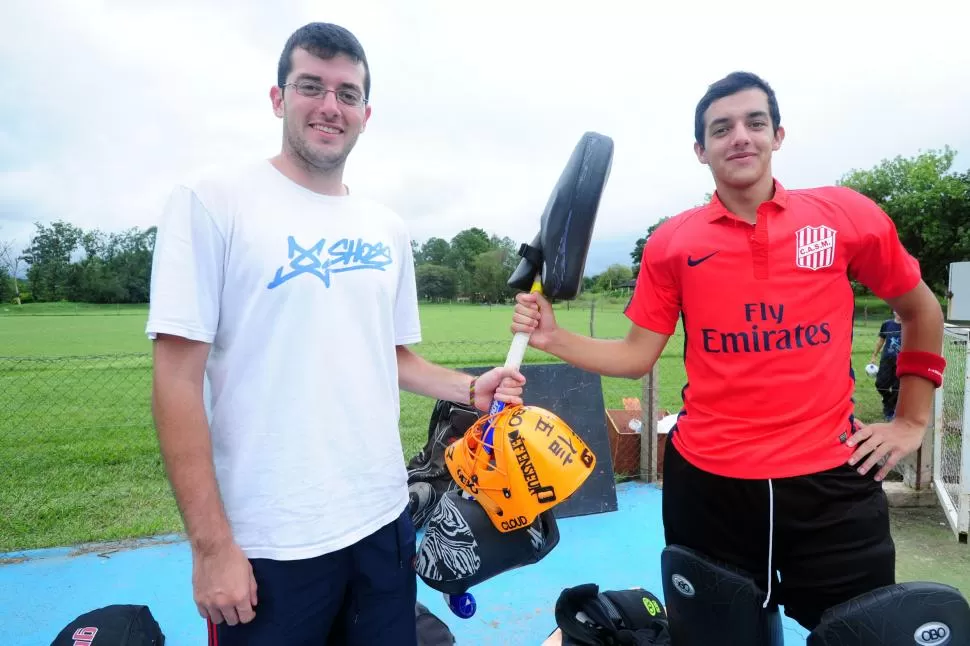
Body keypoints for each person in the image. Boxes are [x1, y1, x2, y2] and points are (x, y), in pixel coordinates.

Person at [510, 71, 946, 633]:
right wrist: (552, 337)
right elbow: (636, 355)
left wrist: (911, 420)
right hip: (709, 486)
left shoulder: (844, 217)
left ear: (777, 135)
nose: (739, 136)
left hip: (831, 483)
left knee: (860, 635)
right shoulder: (673, 242)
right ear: (701, 150)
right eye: (722, 128)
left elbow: (921, 311)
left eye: (754, 122)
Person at [146, 22, 526, 646]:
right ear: (278, 98)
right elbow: (176, 381)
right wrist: (212, 548)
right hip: (271, 540)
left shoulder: (386, 227)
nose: (330, 106)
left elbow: (391, 355)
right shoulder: (213, 200)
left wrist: (470, 389)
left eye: (347, 93)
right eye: (311, 86)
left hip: (382, 520)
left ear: (365, 113)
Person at [870, 310, 903, 420]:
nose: (899, 311)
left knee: (897, 388)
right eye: (897, 309)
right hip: (886, 360)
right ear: (894, 311)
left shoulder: (908, 325)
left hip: (901, 362)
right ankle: (887, 401)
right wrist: (874, 356)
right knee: (880, 384)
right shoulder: (887, 324)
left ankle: (890, 410)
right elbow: (880, 341)